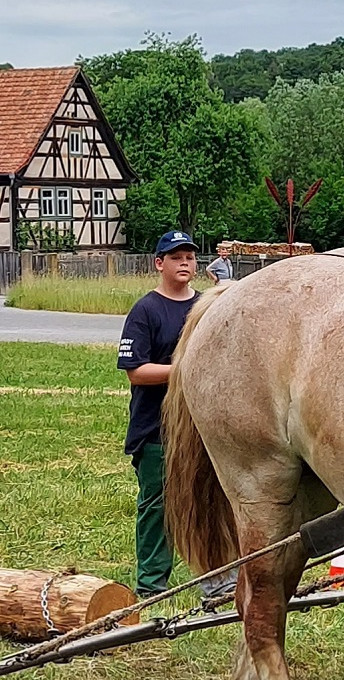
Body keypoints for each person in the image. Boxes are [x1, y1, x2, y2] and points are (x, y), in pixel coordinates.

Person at [118, 230, 233, 599]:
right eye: (176, 257)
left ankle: (218, 579)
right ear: (159, 263)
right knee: (159, 507)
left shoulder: (206, 306)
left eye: (189, 257)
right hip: (156, 430)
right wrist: (185, 370)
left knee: (211, 502)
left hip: (203, 427)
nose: (185, 263)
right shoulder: (146, 310)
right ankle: (152, 585)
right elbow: (136, 371)